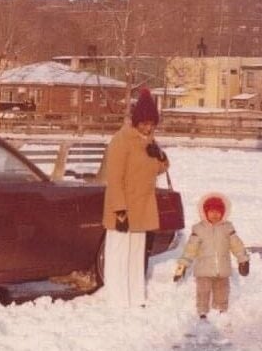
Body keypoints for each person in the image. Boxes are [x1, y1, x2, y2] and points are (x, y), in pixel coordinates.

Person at [102, 87, 170, 307]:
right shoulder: (121, 141)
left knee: (136, 255)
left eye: (152, 123)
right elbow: (114, 177)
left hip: (142, 207)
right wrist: (119, 210)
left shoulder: (149, 142)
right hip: (123, 207)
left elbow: (159, 169)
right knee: (118, 254)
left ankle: (135, 296)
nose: (148, 127)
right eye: (144, 123)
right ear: (135, 121)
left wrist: (160, 156)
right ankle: (117, 298)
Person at [173, 192, 250, 319]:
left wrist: (243, 260)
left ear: (223, 213)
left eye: (218, 212)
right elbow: (190, 249)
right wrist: (182, 266)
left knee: (222, 291)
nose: (215, 215)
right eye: (211, 212)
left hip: (222, 269)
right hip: (204, 270)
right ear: (204, 212)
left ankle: (221, 310)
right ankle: (202, 311)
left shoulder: (227, 228)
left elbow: (237, 245)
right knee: (203, 292)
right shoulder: (199, 229)